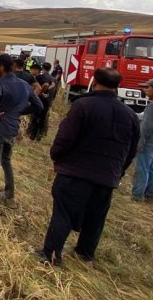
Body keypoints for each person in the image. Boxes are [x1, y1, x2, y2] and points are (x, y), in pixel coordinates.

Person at [36, 67, 140, 266]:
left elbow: (65, 138)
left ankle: (51, 254)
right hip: (107, 177)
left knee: (63, 213)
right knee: (96, 218)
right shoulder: (130, 115)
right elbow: (132, 149)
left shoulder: (83, 105)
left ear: (94, 81)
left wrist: (56, 157)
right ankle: (85, 254)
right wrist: (118, 171)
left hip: (75, 173)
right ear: (117, 86)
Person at [0, 54, 43, 208]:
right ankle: (9, 195)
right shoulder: (24, 84)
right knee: (6, 161)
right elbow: (39, 106)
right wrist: (19, 111)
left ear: (2, 67)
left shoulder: (0, 84)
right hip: (13, 129)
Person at [28, 62, 54, 141]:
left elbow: (45, 84)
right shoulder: (50, 77)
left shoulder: (39, 77)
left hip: (40, 101)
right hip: (47, 102)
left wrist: (41, 93)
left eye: (32, 70)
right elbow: (53, 84)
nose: (30, 71)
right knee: (42, 119)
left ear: (37, 70)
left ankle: (33, 136)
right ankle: (39, 136)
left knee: (36, 118)